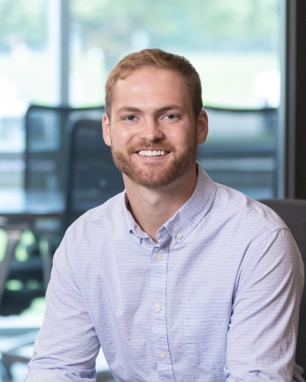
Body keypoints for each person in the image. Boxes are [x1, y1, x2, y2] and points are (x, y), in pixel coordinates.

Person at [25, 49, 304, 382]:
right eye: (131, 117)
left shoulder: (258, 240)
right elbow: (57, 368)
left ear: (200, 127)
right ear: (108, 129)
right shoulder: (84, 240)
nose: (150, 133)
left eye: (169, 116)